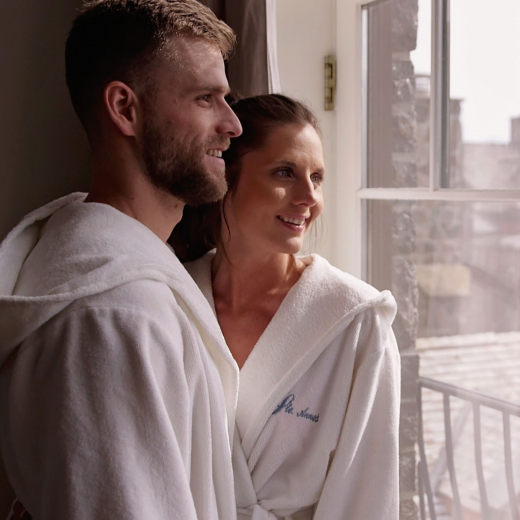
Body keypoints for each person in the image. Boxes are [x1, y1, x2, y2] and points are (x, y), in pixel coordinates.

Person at [0, 1, 243, 518]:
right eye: (206, 98)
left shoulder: (118, 275)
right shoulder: (112, 317)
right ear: (125, 109)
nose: (233, 124)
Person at [170, 94, 401, 520]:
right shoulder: (172, 299)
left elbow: (367, 499)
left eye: (318, 177)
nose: (309, 197)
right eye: (285, 173)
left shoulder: (355, 321)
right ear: (224, 178)